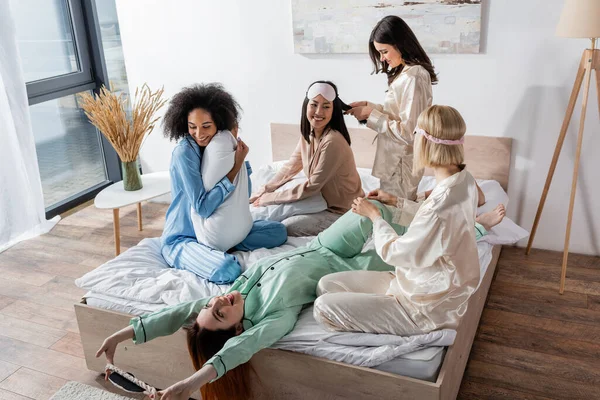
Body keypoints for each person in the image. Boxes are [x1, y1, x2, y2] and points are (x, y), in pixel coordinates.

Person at [95, 107, 492, 400]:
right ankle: (472, 230)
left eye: (211, 303)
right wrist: (188, 385)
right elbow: (236, 352)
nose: (218, 300)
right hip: (347, 263)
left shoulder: (238, 289)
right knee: (394, 246)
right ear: (235, 327)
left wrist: (124, 333)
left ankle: (447, 223)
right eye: (220, 312)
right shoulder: (272, 318)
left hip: (326, 243)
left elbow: (179, 313)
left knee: (375, 207)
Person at [313, 105, 504, 337]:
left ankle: (393, 322)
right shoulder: (464, 179)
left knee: (323, 308)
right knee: (326, 285)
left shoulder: (440, 204)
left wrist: (375, 216)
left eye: (416, 134)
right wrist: (395, 201)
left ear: (426, 142)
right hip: (410, 281)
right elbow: (434, 218)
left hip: (422, 307)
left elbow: (396, 252)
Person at [160, 83, 287, 284]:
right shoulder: (185, 153)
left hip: (216, 230)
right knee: (227, 269)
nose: (199, 134)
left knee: (278, 232)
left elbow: (242, 196)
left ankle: (222, 245)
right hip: (185, 237)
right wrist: (236, 166)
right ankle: (214, 253)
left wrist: (235, 150)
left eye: (206, 126)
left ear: (219, 124)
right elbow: (202, 207)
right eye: (192, 127)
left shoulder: (217, 149)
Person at [250, 81, 363, 237]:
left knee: (288, 226)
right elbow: (291, 166)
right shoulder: (309, 134)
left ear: (333, 110)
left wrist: (271, 198)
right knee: (273, 214)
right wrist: (265, 189)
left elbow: (312, 187)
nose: (318, 112)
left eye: (326, 106)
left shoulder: (332, 141)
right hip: (322, 202)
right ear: (306, 106)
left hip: (344, 212)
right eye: (314, 105)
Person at [346, 15, 435, 202]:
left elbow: (409, 132)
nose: (382, 59)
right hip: (394, 162)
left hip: (402, 163)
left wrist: (372, 116)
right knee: (391, 216)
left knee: (398, 219)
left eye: (384, 52)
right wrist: (370, 108)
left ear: (400, 44)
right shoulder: (406, 74)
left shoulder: (414, 76)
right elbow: (398, 114)